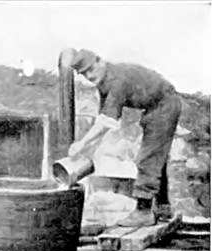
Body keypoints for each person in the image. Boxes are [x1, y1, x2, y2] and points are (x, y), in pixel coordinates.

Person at [67, 48, 182, 229]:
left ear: (100, 61)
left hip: (164, 105)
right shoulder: (105, 82)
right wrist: (89, 148)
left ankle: (143, 212)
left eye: (90, 69)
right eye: (83, 74)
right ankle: (163, 208)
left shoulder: (117, 79)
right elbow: (105, 121)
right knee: (157, 156)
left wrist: (81, 143)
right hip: (157, 106)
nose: (88, 76)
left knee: (148, 157)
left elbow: (105, 122)